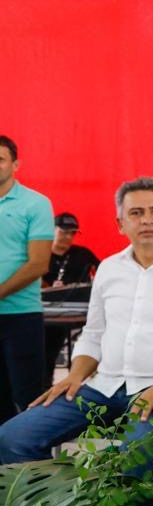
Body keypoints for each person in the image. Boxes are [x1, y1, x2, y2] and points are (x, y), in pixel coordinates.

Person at [0, 177, 153, 464]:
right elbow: (93, 335)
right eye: (136, 213)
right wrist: (74, 376)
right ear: (120, 224)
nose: (147, 220)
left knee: (133, 456)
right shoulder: (109, 269)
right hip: (103, 387)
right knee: (12, 439)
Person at [0, 135, 54, 421]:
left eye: (0, 159)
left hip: (20, 317)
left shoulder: (35, 204)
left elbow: (38, 264)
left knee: (28, 399)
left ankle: (32, 465)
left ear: (15, 164)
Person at [42, 212, 100, 385]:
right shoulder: (40, 253)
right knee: (47, 350)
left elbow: (104, 273)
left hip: (79, 314)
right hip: (46, 315)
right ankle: (45, 387)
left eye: (72, 233)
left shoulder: (82, 254)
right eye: (64, 232)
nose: (68, 237)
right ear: (52, 231)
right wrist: (48, 288)